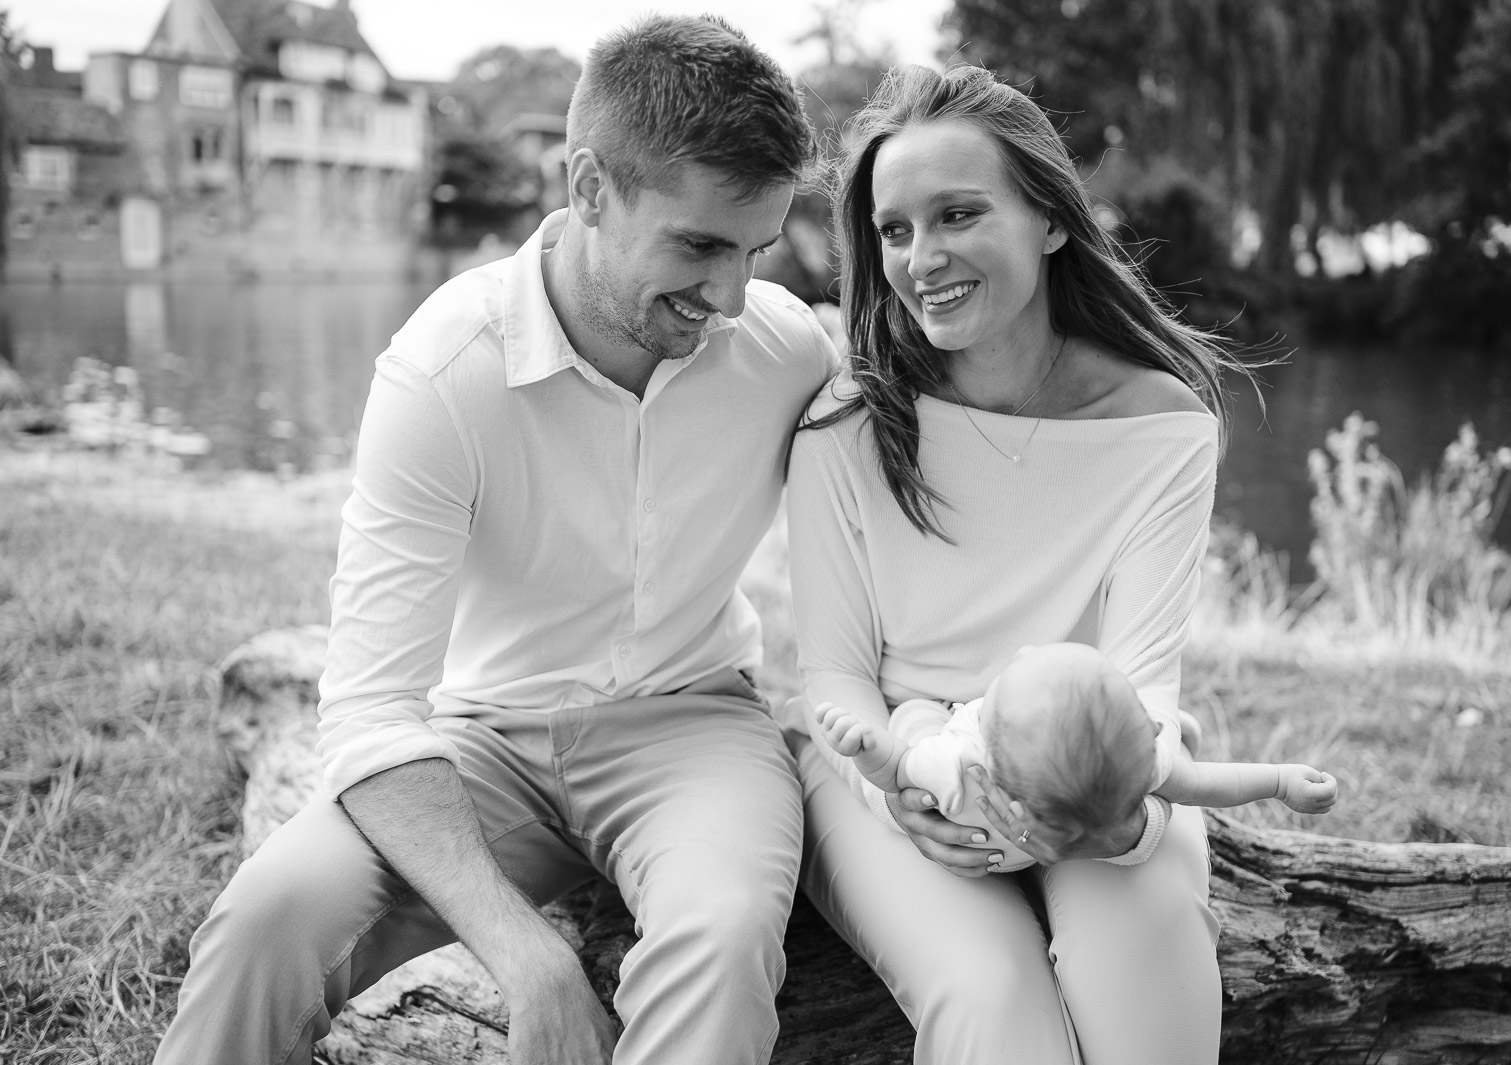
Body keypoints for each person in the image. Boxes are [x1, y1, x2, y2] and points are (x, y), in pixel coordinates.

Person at [154, 16, 834, 1065]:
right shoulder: (443, 370)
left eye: (755, 250)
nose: (730, 297)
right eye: (699, 245)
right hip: (484, 742)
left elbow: (945, 418)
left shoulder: (783, 347)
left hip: (694, 729)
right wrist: (529, 959)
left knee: (724, 937)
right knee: (264, 925)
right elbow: (374, 708)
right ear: (589, 189)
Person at [784, 64, 1265, 1064]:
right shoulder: (844, 425)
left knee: (1146, 955)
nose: (923, 257)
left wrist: (1111, 813)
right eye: (895, 229)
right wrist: (899, 795)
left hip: (1089, 763)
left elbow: (1138, 682)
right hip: (887, 765)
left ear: (1050, 219)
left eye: (959, 213)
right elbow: (829, 673)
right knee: (992, 1003)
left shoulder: (1162, 427)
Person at [814, 642, 1338, 871]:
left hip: (983, 844)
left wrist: (868, 746)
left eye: (1014, 675)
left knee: (914, 715)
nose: (1022, 654)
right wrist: (1280, 780)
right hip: (1027, 838)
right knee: (1179, 773)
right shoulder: (1124, 764)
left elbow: (896, 772)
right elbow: (1207, 784)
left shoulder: (958, 760)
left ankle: (925, 711)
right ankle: (1182, 742)